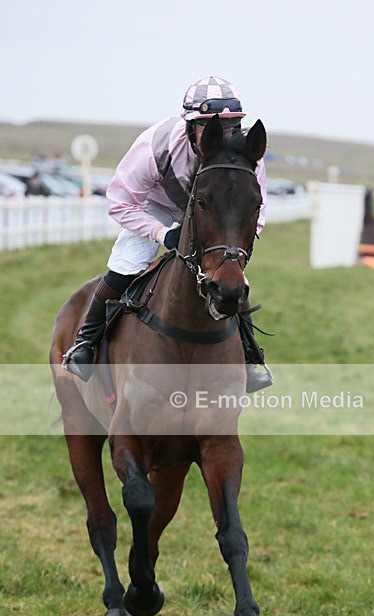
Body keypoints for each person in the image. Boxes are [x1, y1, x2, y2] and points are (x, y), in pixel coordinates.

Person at [62, 75, 272, 392]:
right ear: (189, 126)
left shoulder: (244, 156)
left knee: (231, 279)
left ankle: (252, 357)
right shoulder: (155, 147)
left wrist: (232, 252)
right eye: (209, 125)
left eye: (231, 126)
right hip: (154, 205)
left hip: (211, 213)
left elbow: (256, 208)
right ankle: (84, 342)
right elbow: (119, 202)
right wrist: (162, 234)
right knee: (126, 265)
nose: (222, 134)